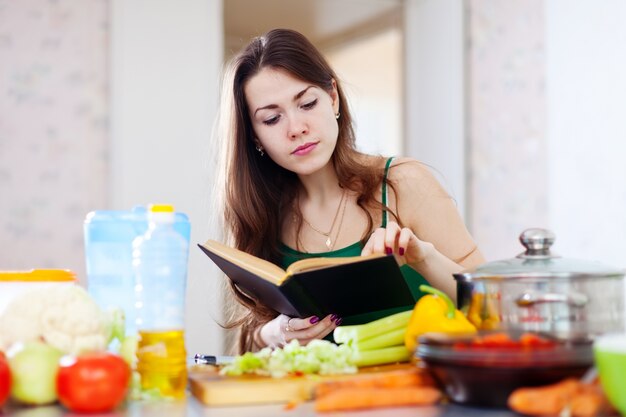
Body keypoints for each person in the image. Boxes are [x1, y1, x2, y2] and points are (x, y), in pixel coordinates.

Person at [213, 28, 485, 354]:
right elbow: (248, 346)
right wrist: (273, 333)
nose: (296, 128)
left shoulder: (403, 183)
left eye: (308, 103)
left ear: (333, 97)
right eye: (271, 119)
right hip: (314, 403)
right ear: (254, 136)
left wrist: (424, 257)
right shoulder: (263, 214)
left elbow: (490, 306)